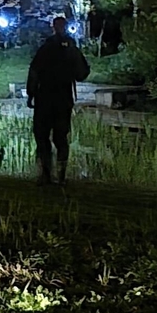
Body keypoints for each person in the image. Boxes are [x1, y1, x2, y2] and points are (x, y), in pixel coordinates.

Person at [27, 16, 91, 186]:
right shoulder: (70, 49)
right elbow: (82, 73)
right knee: (60, 136)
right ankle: (60, 175)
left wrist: (31, 94)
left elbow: (33, 71)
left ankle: (46, 174)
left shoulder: (45, 49)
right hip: (63, 98)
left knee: (42, 135)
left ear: (53, 27)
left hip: (45, 97)